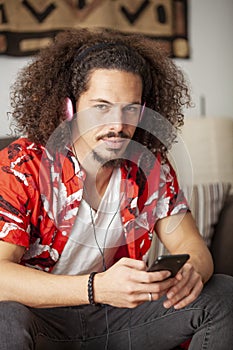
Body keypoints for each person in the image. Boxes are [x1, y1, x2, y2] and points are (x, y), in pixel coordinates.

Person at [0, 27, 232, 350]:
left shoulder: (151, 168)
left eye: (131, 108)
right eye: (101, 107)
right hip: (41, 322)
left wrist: (193, 269)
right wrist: (96, 288)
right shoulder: (22, 165)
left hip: (117, 319)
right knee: (5, 319)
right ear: (69, 109)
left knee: (222, 294)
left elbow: (193, 246)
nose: (117, 125)